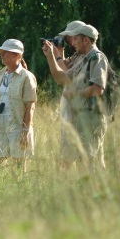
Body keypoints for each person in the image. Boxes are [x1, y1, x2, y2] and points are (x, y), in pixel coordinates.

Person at [56, 24, 109, 172]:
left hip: (92, 118)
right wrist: (53, 56)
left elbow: (98, 88)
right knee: (78, 160)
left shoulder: (97, 58)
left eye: (76, 39)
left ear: (86, 40)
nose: (73, 42)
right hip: (81, 116)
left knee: (88, 162)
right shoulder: (82, 58)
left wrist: (75, 94)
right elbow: (63, 77)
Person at [42, 21, 86, 165]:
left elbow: (64, 77)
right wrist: (59, 52)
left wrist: (55, 55)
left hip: (81, 115)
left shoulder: (87, 57)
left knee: (85, 160)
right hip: (72, 114)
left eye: (68, 37)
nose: (67, 41)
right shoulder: (77, 56)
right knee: (68, 158)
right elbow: (65, 68)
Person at [0, 39, 37, 172]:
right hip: (0, 122)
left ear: (18, 55)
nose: (2, 55)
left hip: (17, 123)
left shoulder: (27, 77)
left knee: (19, 162)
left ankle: (20, 188)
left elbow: (30, 107)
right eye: (2, 52)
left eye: (6, 52)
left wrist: (25, 130)